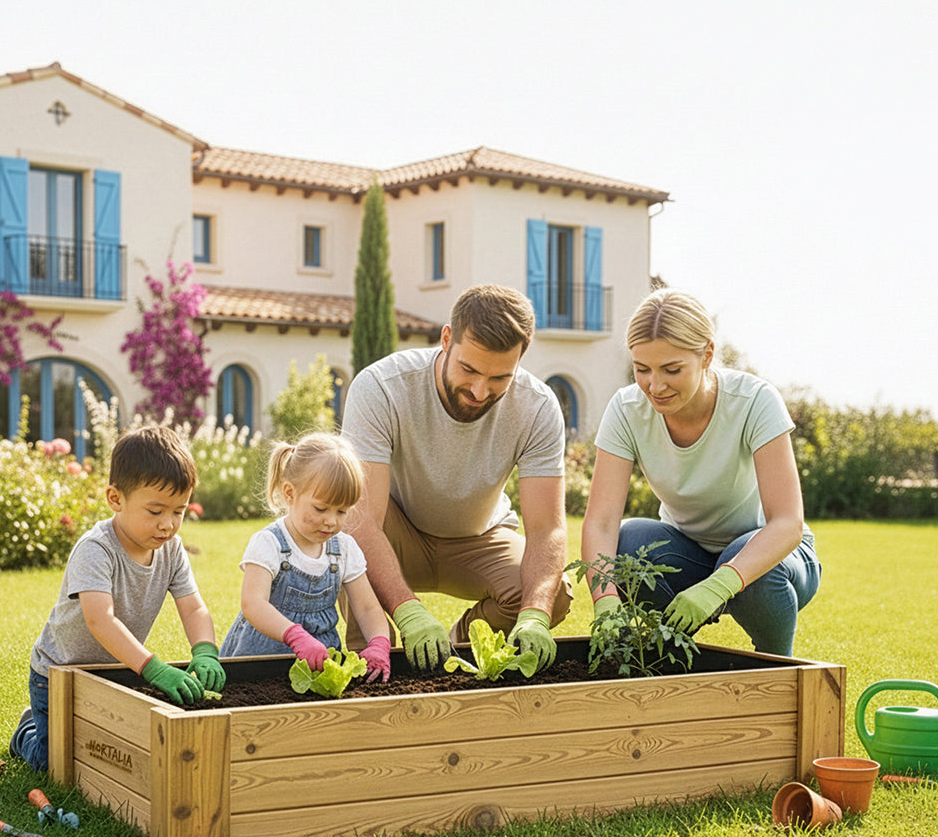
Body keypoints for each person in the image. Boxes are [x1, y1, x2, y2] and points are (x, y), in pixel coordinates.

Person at [339, 283, 572, 672]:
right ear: (446, 339)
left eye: (500, 377)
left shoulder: (537, 407)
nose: (480, 391)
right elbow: (362, 522)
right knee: (344, 536)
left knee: (552, 595)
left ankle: (456, 647)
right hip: (395, 533)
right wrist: (408, 610)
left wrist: (534, 613)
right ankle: (373, 664)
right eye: (469, 369)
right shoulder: (382, 387)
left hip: (478, 537)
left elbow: (548, 528)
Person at [581, 288, 821, 656]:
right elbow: (600, 523)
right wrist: (605, 599)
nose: (654, 386)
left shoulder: (754, 401)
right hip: (688, 553)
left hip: (774, 559)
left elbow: (787, 522)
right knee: (630, 544)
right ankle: (673, 662)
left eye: (672, 369)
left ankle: (778, 671)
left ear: (707, 354)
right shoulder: (627, 409)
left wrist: (720, 584)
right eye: (641, 369)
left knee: (752, 562)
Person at [9, 425, 225, 772]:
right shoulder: (97, 550)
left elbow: (193, 605)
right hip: (57, 674)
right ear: (115, 499)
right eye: (155, 511)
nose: (168, 524)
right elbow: (100, 620)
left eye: (178, 511)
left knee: (107, 755)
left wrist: (205, 651)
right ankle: (28, 731)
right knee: (57, 763)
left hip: (114, 671)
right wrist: (155, 670)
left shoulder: (171, 550)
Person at [219, 433, 392, 683]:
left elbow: (367, 608)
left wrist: (379, 642)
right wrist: (294, 636)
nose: (331, 521)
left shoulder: (343, 548)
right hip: (257, 668)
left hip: (318, 670)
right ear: (290, 494)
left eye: (342, 511)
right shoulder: (270, 543)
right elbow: (253, 603)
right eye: (321, 509)